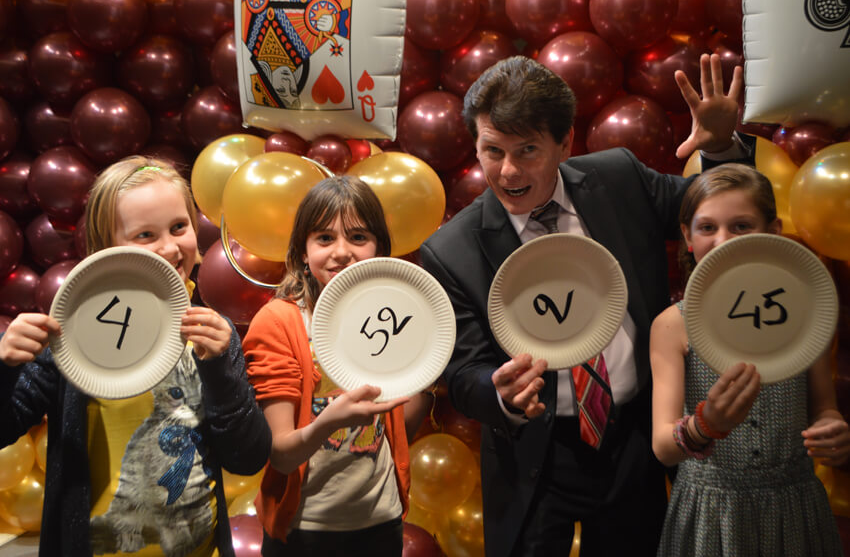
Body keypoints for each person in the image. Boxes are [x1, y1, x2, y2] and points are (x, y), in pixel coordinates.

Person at [419, 53, 754, 557]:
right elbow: (464, 372)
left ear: (566, 143)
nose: (507, 170)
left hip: (634, 441)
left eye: (527, 149)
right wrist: (500, 393)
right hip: (533, 454)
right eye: (492, 150)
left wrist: (725, 148)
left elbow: (716, 219)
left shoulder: (619, 178)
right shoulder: (450, 251)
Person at [0, 156, 271, 556]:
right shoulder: (74, 337)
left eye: (179, 227)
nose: (168, 246)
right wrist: (6, 367)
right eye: (145, 234)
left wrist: (220, 372)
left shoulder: (212, 335)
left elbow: (248, 458)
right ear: (107, 250)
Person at [650, 163, 849, 556]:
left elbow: (824, 407)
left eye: (741, 226)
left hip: (794, 504)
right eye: (708, 227)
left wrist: (834, 429)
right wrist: (704, 425)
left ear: (772, 232)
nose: (724, 241)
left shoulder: (804, 312)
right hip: (710, 508)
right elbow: (663, 445)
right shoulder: (674, 324)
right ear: (688, 236)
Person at [242, 175, 430, 557]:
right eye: (324, 238)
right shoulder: (279, 322)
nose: (341, 251)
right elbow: (280, 453)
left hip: (380, 522)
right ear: (303, 252)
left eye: (358, 237)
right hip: (305, 530)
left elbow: (397, 422)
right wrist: (331, 420)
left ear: (379, 248)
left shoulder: (393, 317)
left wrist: (427, 370)